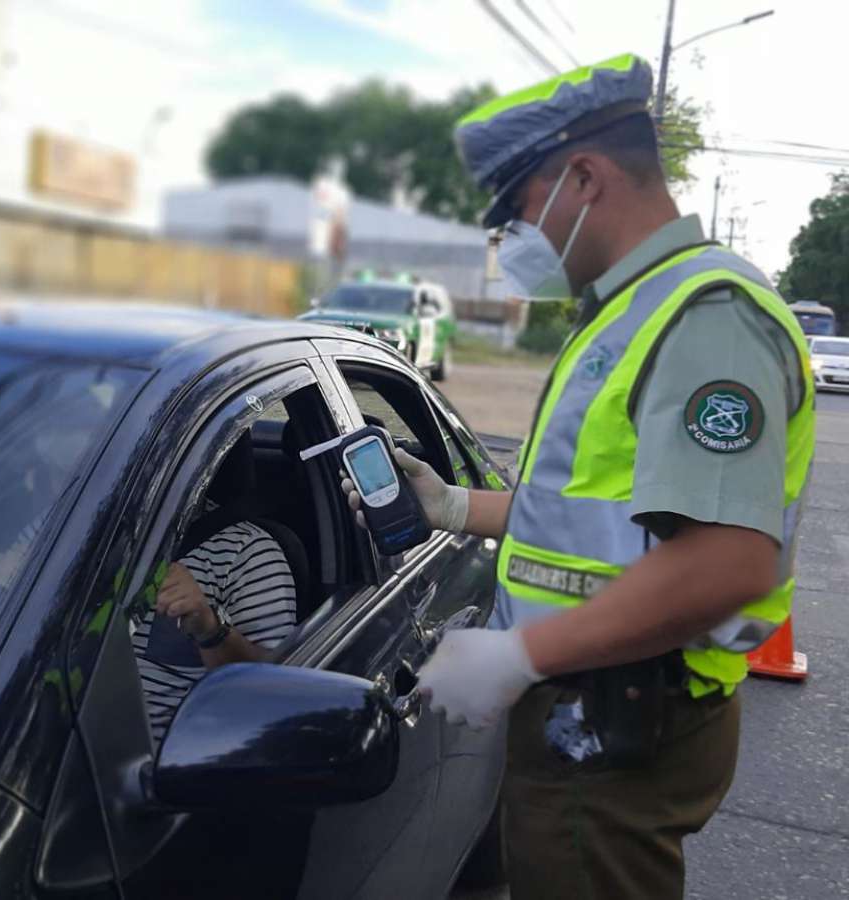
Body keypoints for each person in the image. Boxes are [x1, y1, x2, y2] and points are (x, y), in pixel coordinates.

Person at [342, 53, 814, 900]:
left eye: (514, 215)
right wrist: (453, 505)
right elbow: (597, 516)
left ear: (584, 178)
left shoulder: (704, 316)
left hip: (622, 715)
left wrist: (518, 653)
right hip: (595, 708)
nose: (510, 245)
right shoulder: (632, 308)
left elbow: (726, 560)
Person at [133, 435, 298, 745]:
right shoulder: (71, 533)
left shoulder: (246, 551)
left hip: (150, 771)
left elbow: (270, 693)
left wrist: (208, 627)